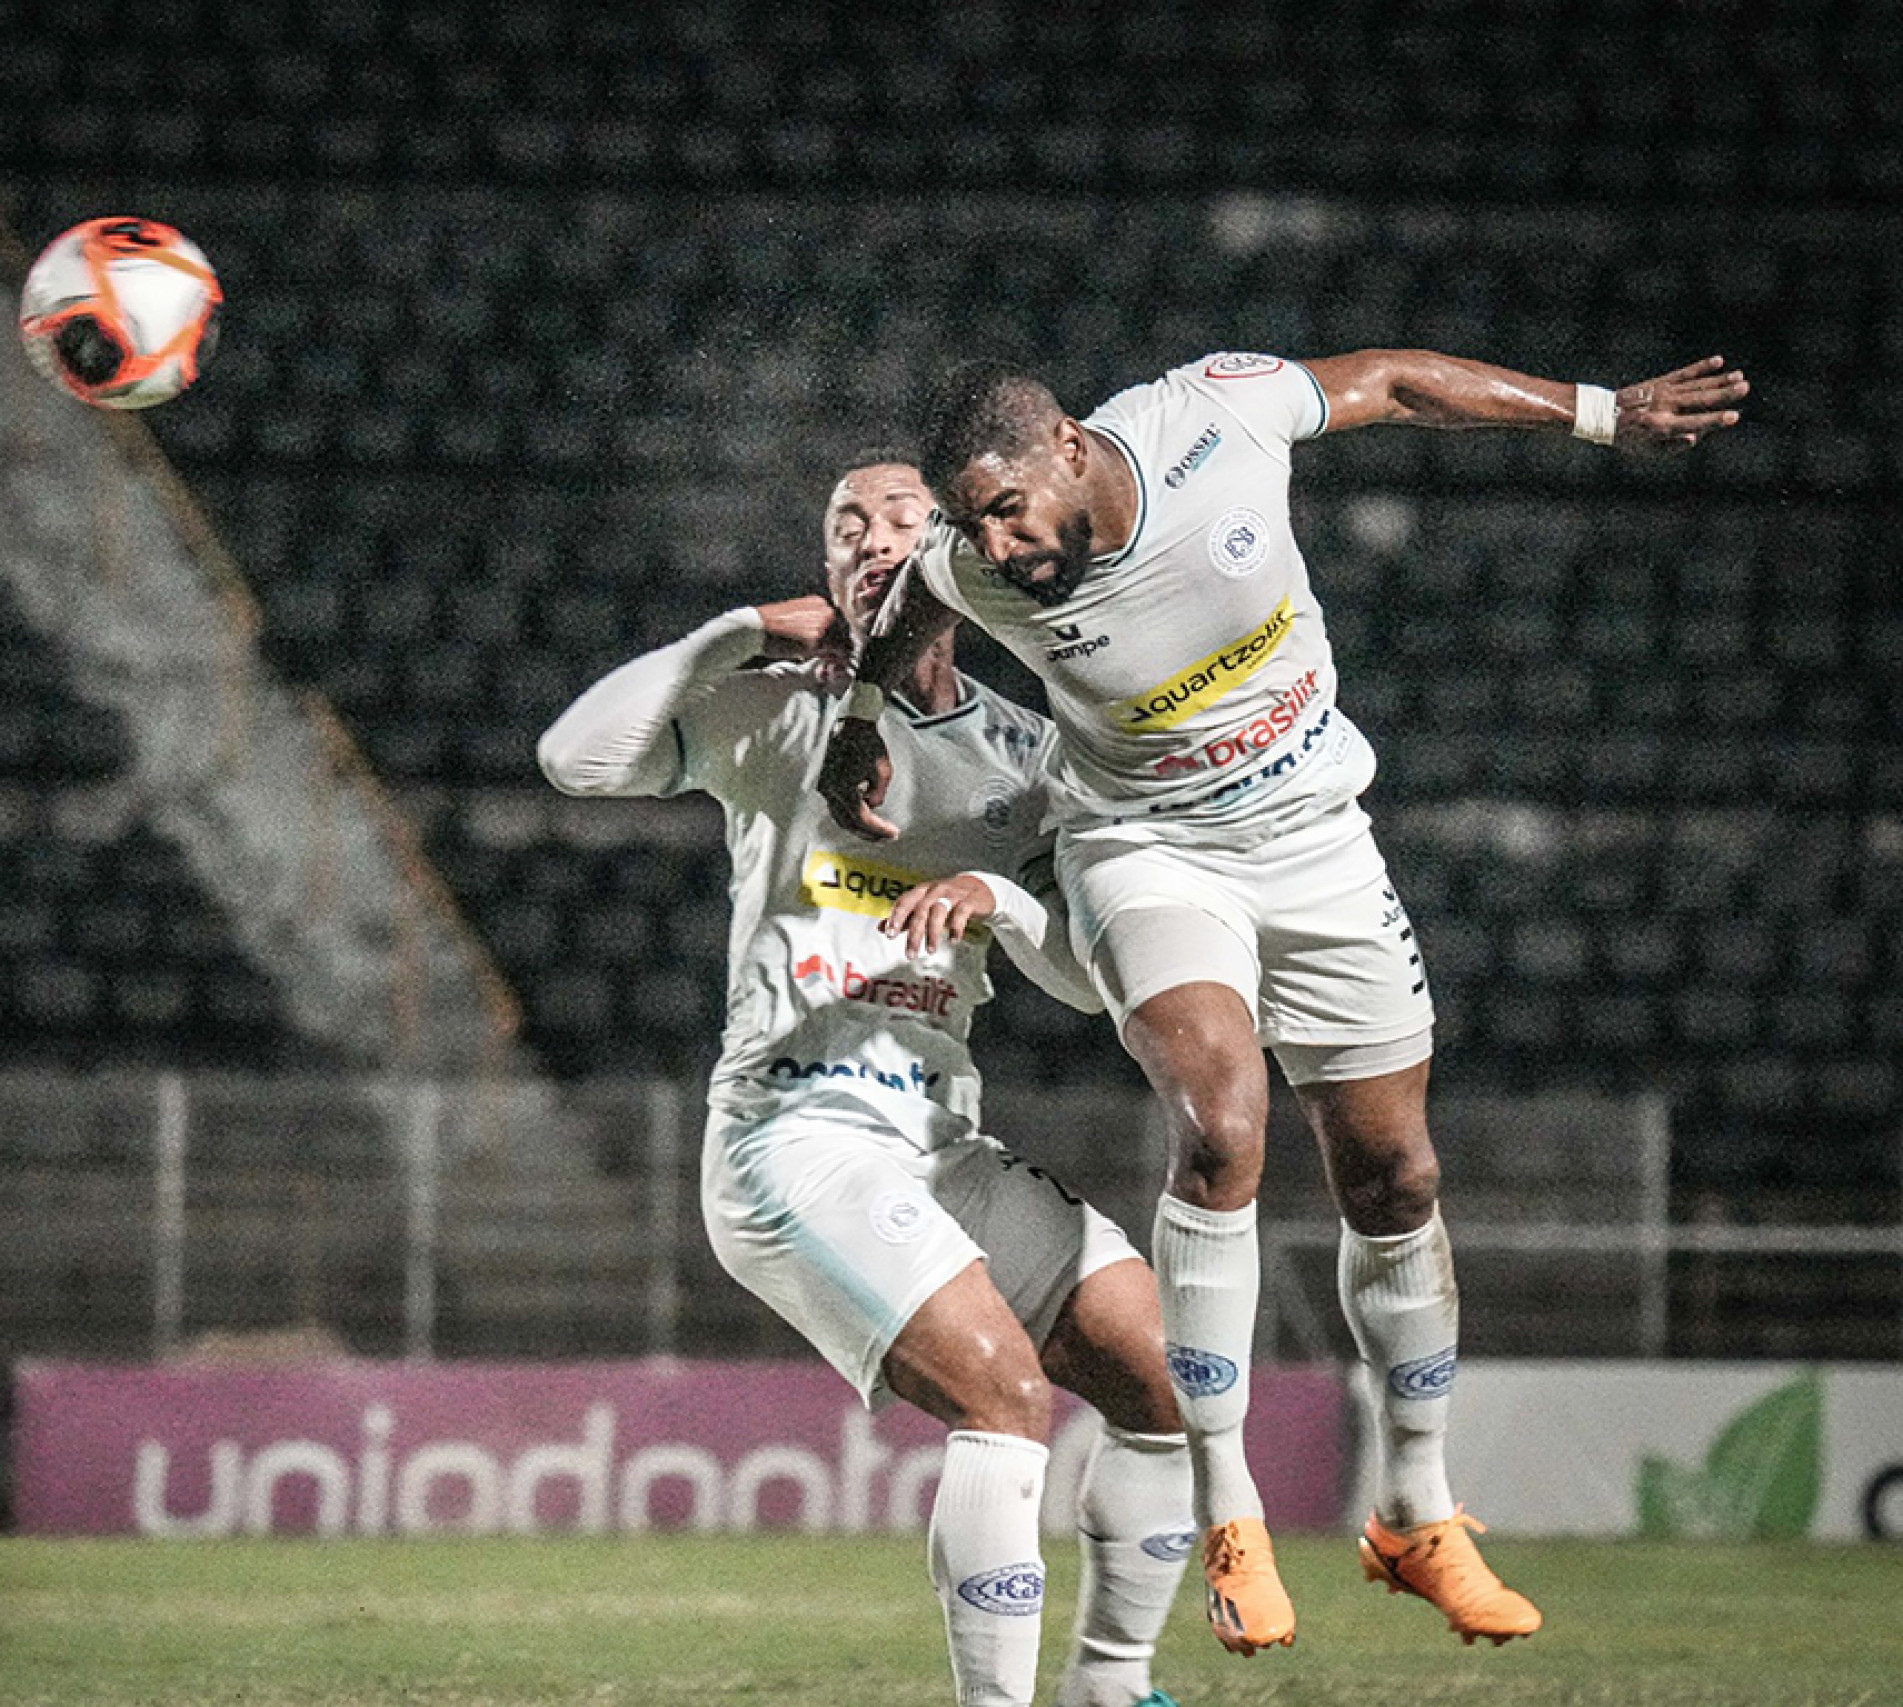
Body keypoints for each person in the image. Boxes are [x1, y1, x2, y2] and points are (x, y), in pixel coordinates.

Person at [817, 351, 1750, 1653]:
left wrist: (1602, 415)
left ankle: (1414, 1510)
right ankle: (1229, 1508)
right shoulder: (971, 563)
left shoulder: (1212, 419)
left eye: (1007, 509)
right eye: (972, 523)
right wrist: (862, 716)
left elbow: (1394, 382)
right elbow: (910, 604)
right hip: (1143, 850)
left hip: (1315, 840)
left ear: (1069, 446)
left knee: (1394, 1176)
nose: (997, 546)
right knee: (1219, 1123)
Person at [539, 452, 1200, 1707]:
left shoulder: (1025, 753)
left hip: (939, 1144)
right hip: (792, 1134)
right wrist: (735, 633)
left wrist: (999, 896)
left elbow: (1085, 983)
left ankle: (1109, 1688)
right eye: (846, 524)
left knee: (1166, 1379)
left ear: (958, 552)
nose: (871, 537)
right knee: (1004, 1398)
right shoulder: (778, 710)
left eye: (902, 516)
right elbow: (575, 761)